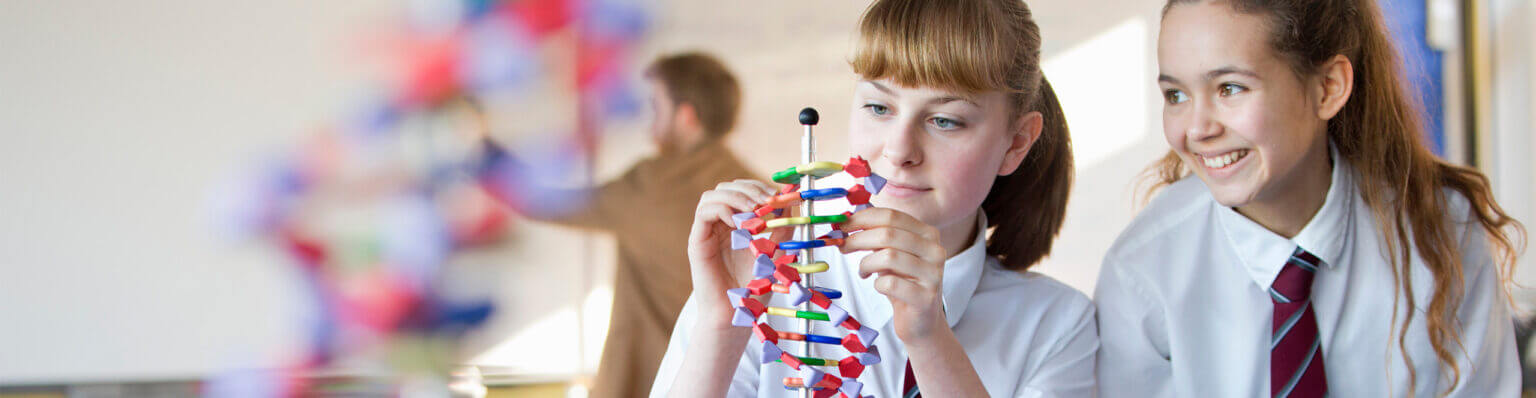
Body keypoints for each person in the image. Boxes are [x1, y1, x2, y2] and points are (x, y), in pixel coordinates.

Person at [649, 0, 1096, 396]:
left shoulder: (1057, 328)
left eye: (944, 120)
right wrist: (722, 323)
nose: (899, 151)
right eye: (879, 108)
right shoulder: (759, 279)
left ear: (1016, 142)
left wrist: (930, 340)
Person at [1095, 0, 1524, 396]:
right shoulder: (1142, 275)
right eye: (1176, 95)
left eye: (1230, 88)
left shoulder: (1442, 231)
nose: (1197, 128)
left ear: (1328, 88)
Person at [480, 52, 761, 397]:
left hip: (648, 379)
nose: (649, 127)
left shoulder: (653, 184)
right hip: (733, 380)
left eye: (656, 110)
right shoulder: (753, 191)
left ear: (686, 117)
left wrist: (482, 154)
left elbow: (543, 200)